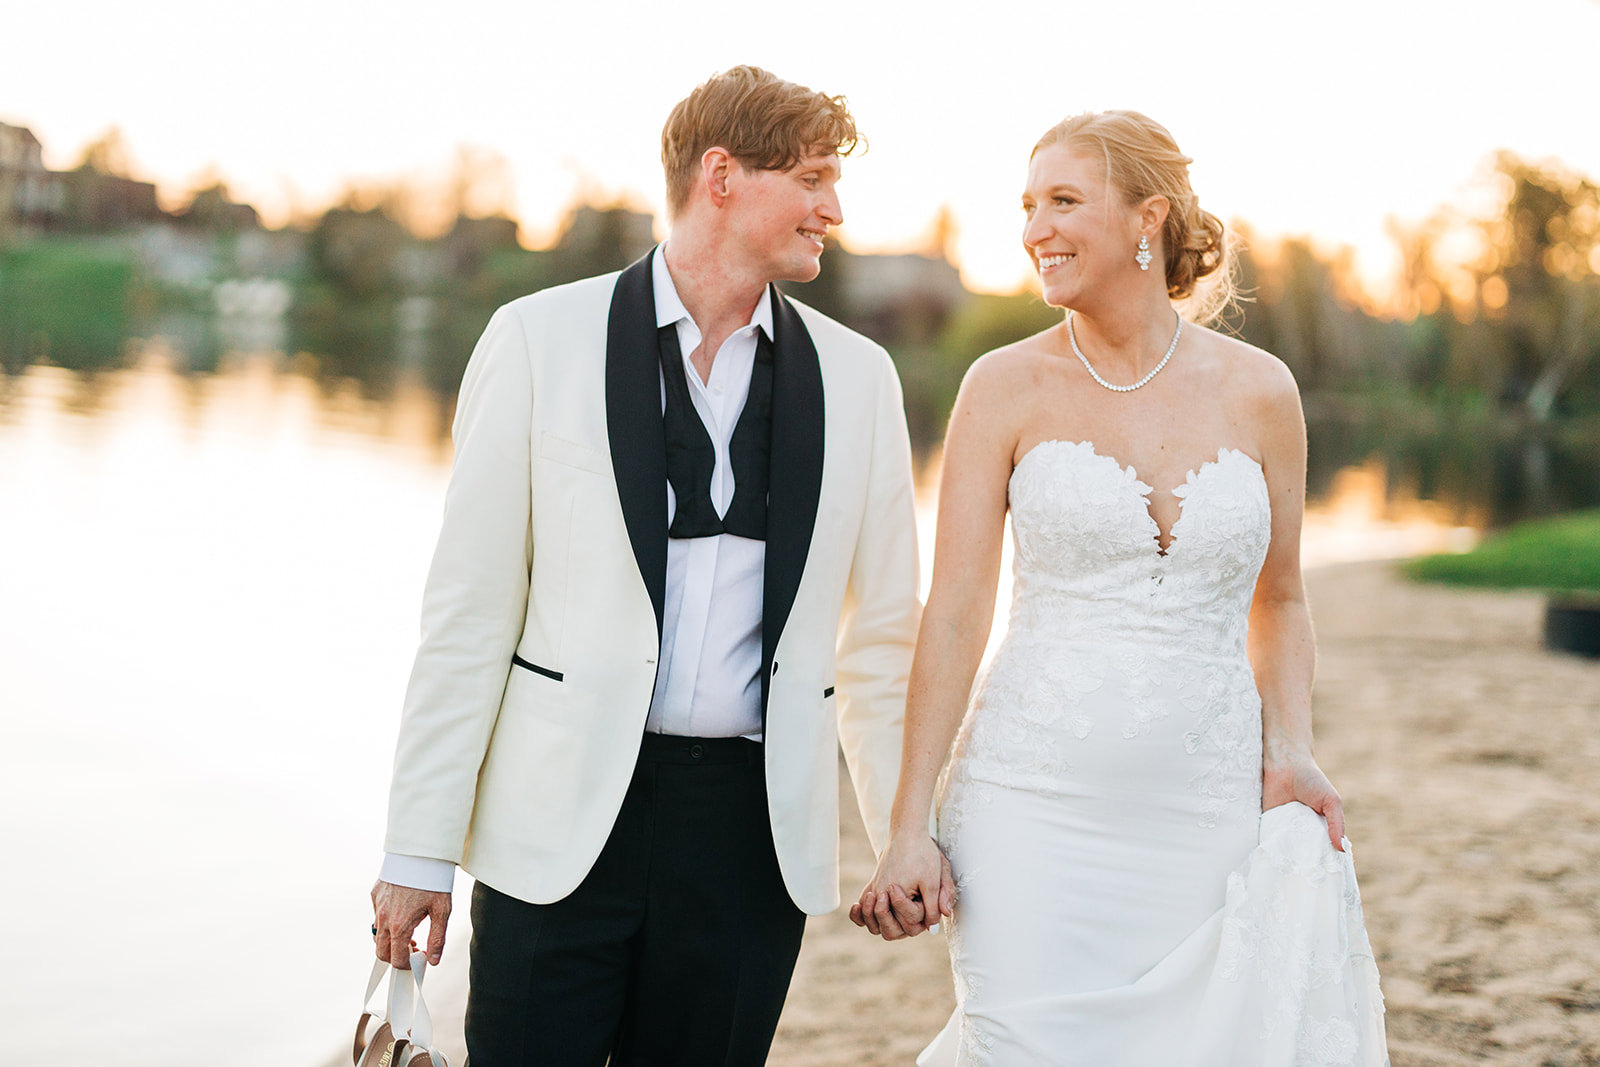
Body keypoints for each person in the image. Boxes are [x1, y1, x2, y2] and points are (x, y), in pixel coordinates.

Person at [370, 65, 930, 1066]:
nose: (832, 208)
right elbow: (468, 612)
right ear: (722, 175)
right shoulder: (538, 340)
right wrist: (418, 849)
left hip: (752, 841)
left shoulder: (860, 378)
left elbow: (882, 641)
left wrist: (902, 832)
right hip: (557, 827)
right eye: (810, 178)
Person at [851, 111, 1388, 1065]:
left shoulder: (1263, 392)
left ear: (1150, 217)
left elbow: (1283, 599)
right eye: (1026, 206)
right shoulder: (1001, 387)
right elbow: (959, 610)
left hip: (1207, 812)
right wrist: (908, 826)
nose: (1034, 231)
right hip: (1027, 807)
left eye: (1063, 201)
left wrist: (1292, 745)